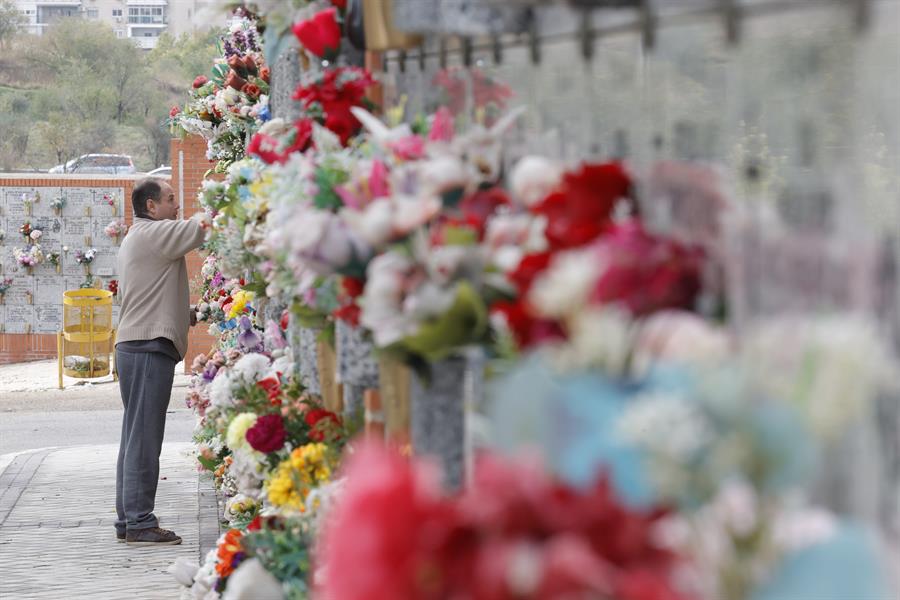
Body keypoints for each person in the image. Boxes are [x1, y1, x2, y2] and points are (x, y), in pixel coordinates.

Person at [114, 177, 207, 546]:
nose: (176, 205)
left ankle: (129, 518)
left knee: (134, 435)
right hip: (148, 346)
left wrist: (192, 312)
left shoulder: (139, 237)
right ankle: (139, 521)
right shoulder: (154, 233)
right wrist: (227, 195)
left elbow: (152, 294)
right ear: (151, 207)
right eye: (170, 199)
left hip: (137, 343)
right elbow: (200, 227)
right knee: (144, 438)